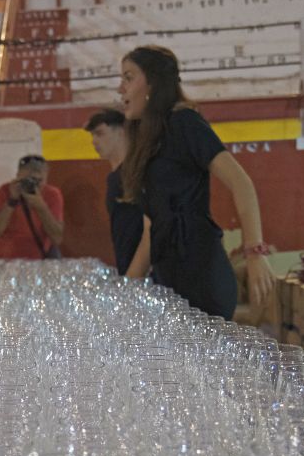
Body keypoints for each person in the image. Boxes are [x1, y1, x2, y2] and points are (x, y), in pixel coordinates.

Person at [116, 45, 273, 318]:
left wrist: (255, 253)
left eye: (129, 77)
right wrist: (125, 292)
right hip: (169, 279)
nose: (121, 89)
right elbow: (152, 227)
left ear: (152, 82)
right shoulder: (150, 140)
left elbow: (241, 182)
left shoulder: (185, 122)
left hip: (200, 276)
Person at [85, 108, 143, 275]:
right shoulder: (116, 177)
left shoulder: (134, 174)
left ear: (122, 132)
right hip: (130, 269)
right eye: (92, 136)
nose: (94, 141)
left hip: (143, 273)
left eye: (100, 134)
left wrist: (135, 275)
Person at [0, 154, 65, 260]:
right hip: (5, 260)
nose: (33, 185)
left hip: (38, 260)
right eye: (28, 180)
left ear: (46, 177)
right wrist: (11, 201)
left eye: (38, 181)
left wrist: (41, 207)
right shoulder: (6, 191)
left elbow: (57, 238)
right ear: (18, 176)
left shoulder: (52, 195)